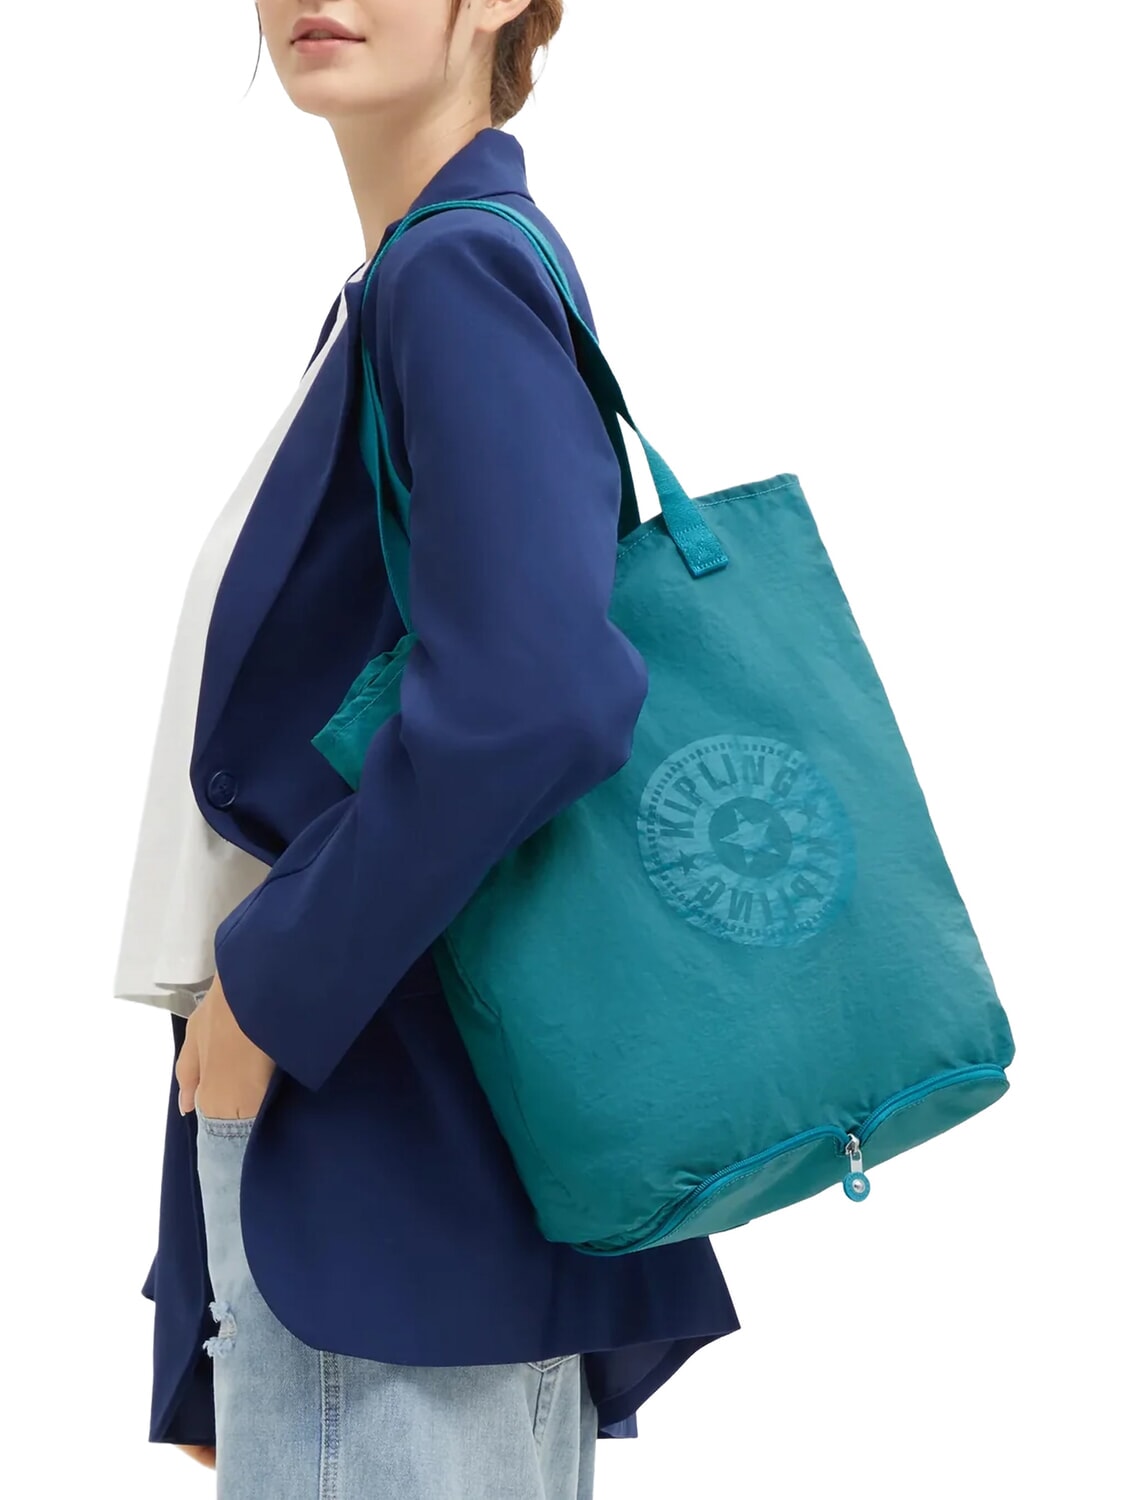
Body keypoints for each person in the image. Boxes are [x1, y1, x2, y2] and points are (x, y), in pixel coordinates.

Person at [114, 2, 742, 1495]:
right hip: (364, 1176)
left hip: (379, 1163)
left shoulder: (451, 274)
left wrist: (265, 1003)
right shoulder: (406, 281)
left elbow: (537, 695)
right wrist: (200, 1268)